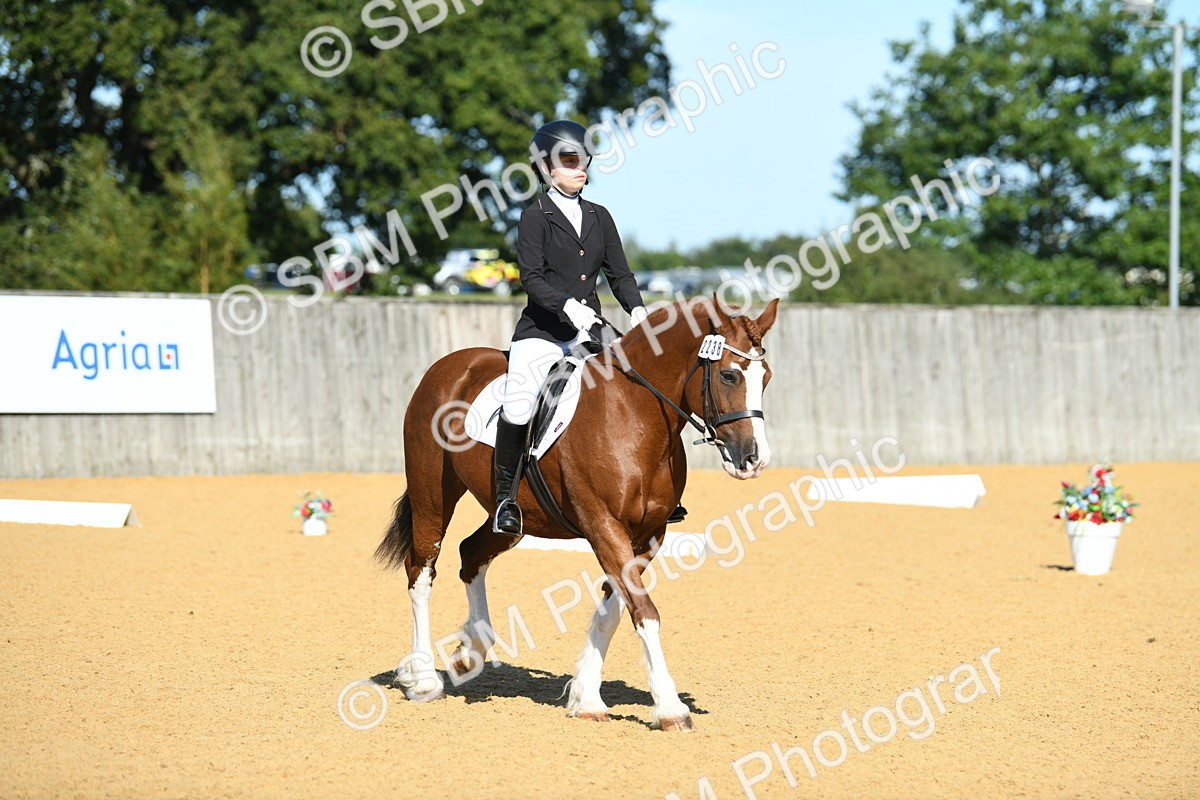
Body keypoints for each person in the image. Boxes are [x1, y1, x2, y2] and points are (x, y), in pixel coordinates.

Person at [492, 119, 649, 536]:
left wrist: (637, 313)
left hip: (591, 331)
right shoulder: (534, 217)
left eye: (584, 160)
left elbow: (621, 275)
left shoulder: (600, 216)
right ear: (546, 168)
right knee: (519, 402)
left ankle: (649, 492)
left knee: (637, 386)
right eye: (569, 160)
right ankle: (505, 499)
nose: (580, 168)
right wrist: (567, 307)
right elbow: (532, 277)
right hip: (543, 332)